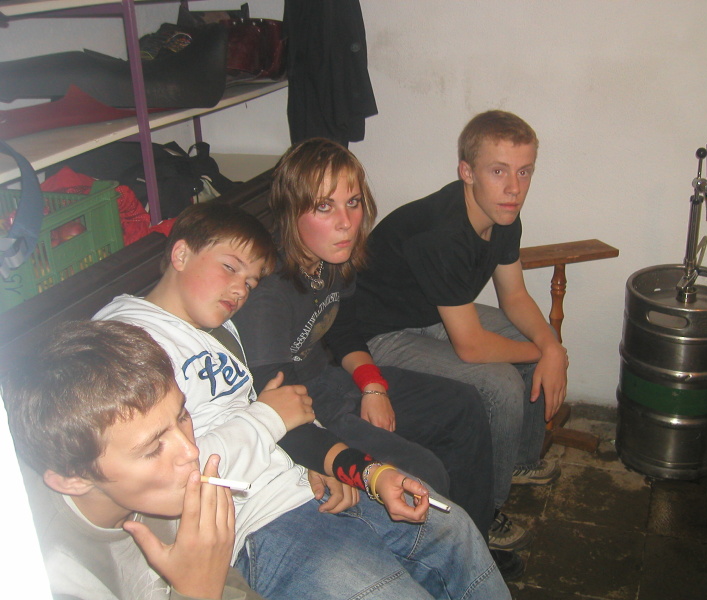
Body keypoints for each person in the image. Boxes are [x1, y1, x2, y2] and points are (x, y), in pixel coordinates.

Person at [94, 201, 510, 600]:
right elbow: (170, 472)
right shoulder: (123, 342)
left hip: (304, 488)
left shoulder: (220, 329)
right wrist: (267, 419)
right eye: (230, 267)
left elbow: (287, 419)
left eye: (251, 281)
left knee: (454, 530)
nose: (240, 290)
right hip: (260, 525)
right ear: (181, 254)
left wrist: (365, 472)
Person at [232, 137, 498, 545]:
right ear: (291, 211)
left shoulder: (333, 258)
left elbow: (343, 328)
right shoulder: (269, 292)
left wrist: (373, 386)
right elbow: (275, 406)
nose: (346, 223)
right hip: (303, 409)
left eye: (352, 203)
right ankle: (441, 557)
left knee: (464, 405)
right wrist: (321, 458)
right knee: (423, 469)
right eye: (324, 207)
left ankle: (476, 542)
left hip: (331, 382)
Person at [347, 110, 569, 552]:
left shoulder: (503, 215)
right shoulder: (443, 233)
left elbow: (515, 297)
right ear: (467, 172)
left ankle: (518, 461)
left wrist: (550, 344)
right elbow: (471, 347)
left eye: (524, 172)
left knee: (535, 339)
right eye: (498, 171)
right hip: (380, 334)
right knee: (501, 384)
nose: (514, 188)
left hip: (433, 312)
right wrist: (545, 353)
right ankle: (487, 508)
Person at [2, 319, 264, 600]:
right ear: (74, 479)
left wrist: (210, 568)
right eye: (153, 448)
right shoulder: (46, 579)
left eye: (182, 417)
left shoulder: (166, 494)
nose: (191, 451)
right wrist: (199, 591)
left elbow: (231, 585)